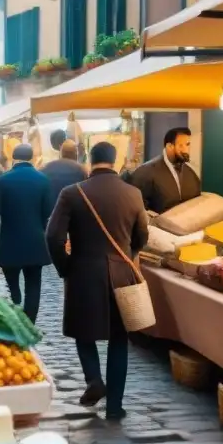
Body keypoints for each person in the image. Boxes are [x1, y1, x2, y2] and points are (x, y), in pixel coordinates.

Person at [46, 141, 149, 420]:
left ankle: (94, 380)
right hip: (122, 275)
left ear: (90, 161)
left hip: (83, 271)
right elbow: (142, 237)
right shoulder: (133, 194)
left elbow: (53, 237)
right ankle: (115, 407)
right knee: (119, 339)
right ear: (114, 160)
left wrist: (65, 267)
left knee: (83, 332)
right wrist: (129, 254)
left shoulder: (72, 193)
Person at [0, 144, 52, 322]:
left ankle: (15, 301)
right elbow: (48, 213)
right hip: (36, 242)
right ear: (32, 158)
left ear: (13, 158)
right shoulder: (43, 179)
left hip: (10, 242)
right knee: (34, 286)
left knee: (12, 283)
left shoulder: (2, 180)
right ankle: (29, 322)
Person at [130, 127, 201, 214]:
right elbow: (134, 207)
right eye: (181, 145)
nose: (186, 150)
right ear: (169, 146)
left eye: (188, 144)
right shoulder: (145, 173)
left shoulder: (191, 173)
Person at [41, 138, 87, 209]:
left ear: (61, 153)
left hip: (50, 212)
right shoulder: (81, 170)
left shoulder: (45, 168)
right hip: (72, 212)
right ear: (76, 154)